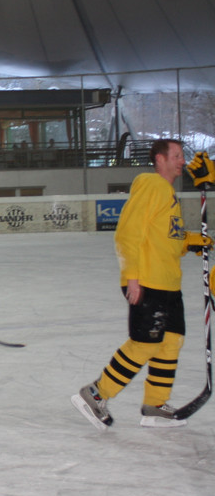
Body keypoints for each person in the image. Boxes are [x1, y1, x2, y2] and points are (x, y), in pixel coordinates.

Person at [72, 139, 208, 431]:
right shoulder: (151, 185)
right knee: (145, 343)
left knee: (171, 342)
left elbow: (167, 238)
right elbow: (127, 233)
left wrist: (192, 241)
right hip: (147, 282)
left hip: (168, 284)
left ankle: (155, 405)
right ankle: (96, 394)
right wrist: (132, 277)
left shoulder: (168, 193)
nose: (182, 161)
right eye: (176, 155)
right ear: (160, 159)